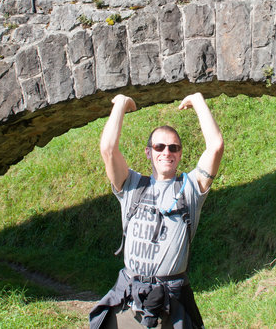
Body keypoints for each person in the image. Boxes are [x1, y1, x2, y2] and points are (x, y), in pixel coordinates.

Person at [89, 92, 224, 329]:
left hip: (172, 305)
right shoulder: (132, 185)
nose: (167, 152)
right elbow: (108, 149)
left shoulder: (190, 189)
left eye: (174, 148)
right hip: (130, 303)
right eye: (159, 146)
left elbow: (215, 147)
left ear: (180, 154)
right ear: (149, 152)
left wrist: (198, 101)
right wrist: (121, 104)